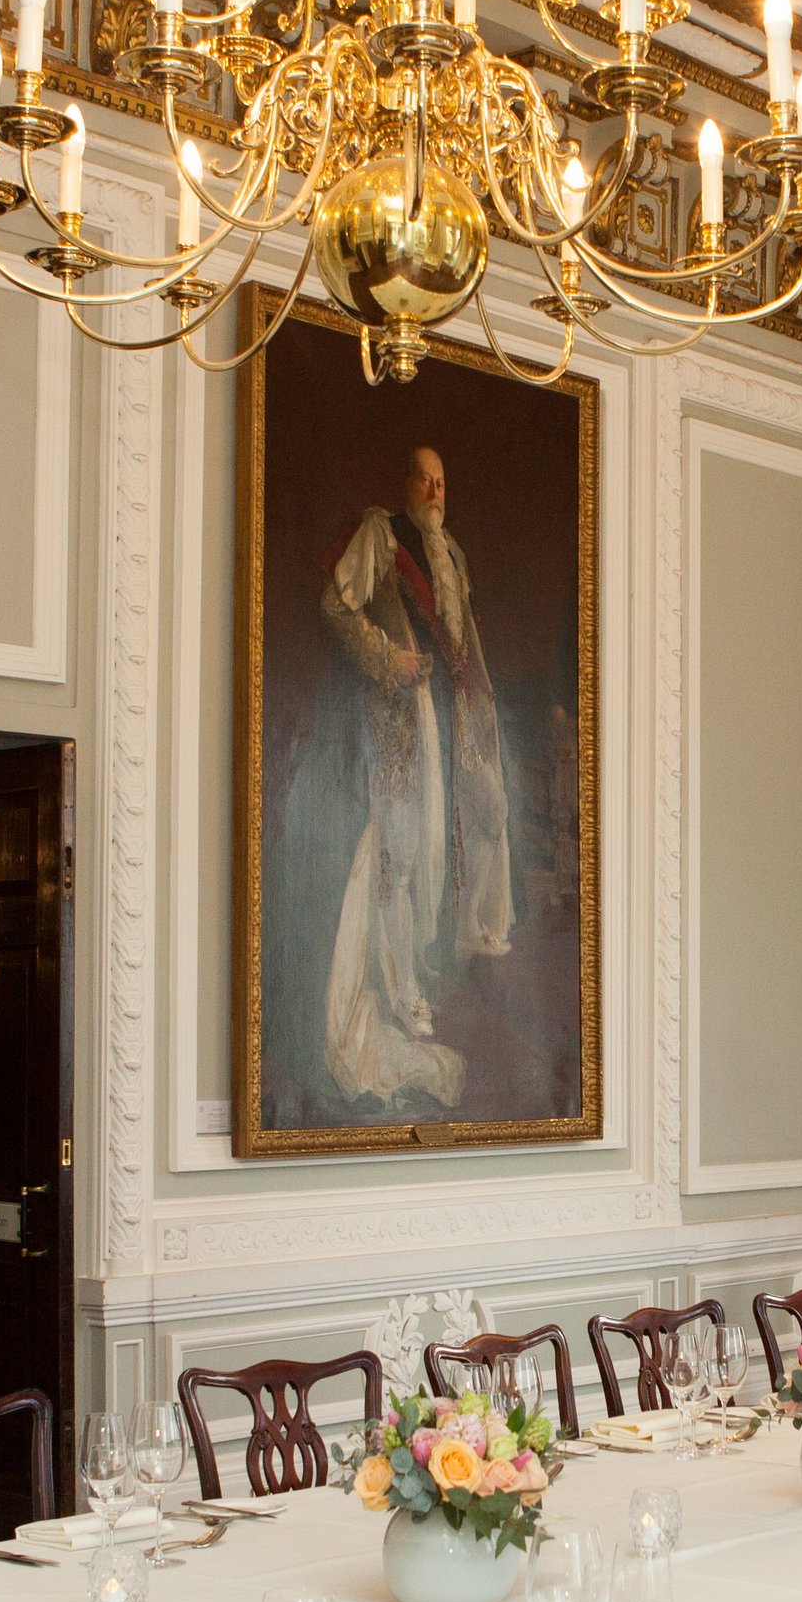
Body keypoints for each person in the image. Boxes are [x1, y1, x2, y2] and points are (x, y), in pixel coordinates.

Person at [315, 441, 512, 1110]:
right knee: (399, 857)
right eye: (424, 479)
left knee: (442, 853)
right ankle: (398, 993)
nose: (433, 490)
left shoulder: (449, 555)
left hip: (450, 724)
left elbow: (465, 645)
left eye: (441, 481)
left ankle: (422, 975)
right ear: (405, 484)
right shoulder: (383, 534)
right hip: (402, 722)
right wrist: (387, 658)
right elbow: (336, 607)